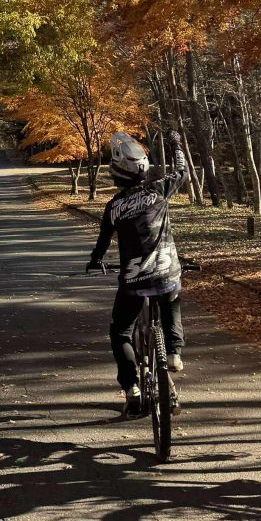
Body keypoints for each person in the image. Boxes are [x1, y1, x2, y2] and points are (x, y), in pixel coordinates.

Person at [87, 130, 188, 416]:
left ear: (116, 175)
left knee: (120, 331)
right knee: (171, 296)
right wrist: (176, 144)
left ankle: (131, 387)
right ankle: (173, 353)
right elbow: (182, 171)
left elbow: (103, 242)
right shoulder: (159, 190)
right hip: (165, 271)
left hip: (133, 281)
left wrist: (95, 260)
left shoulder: (113, 208)